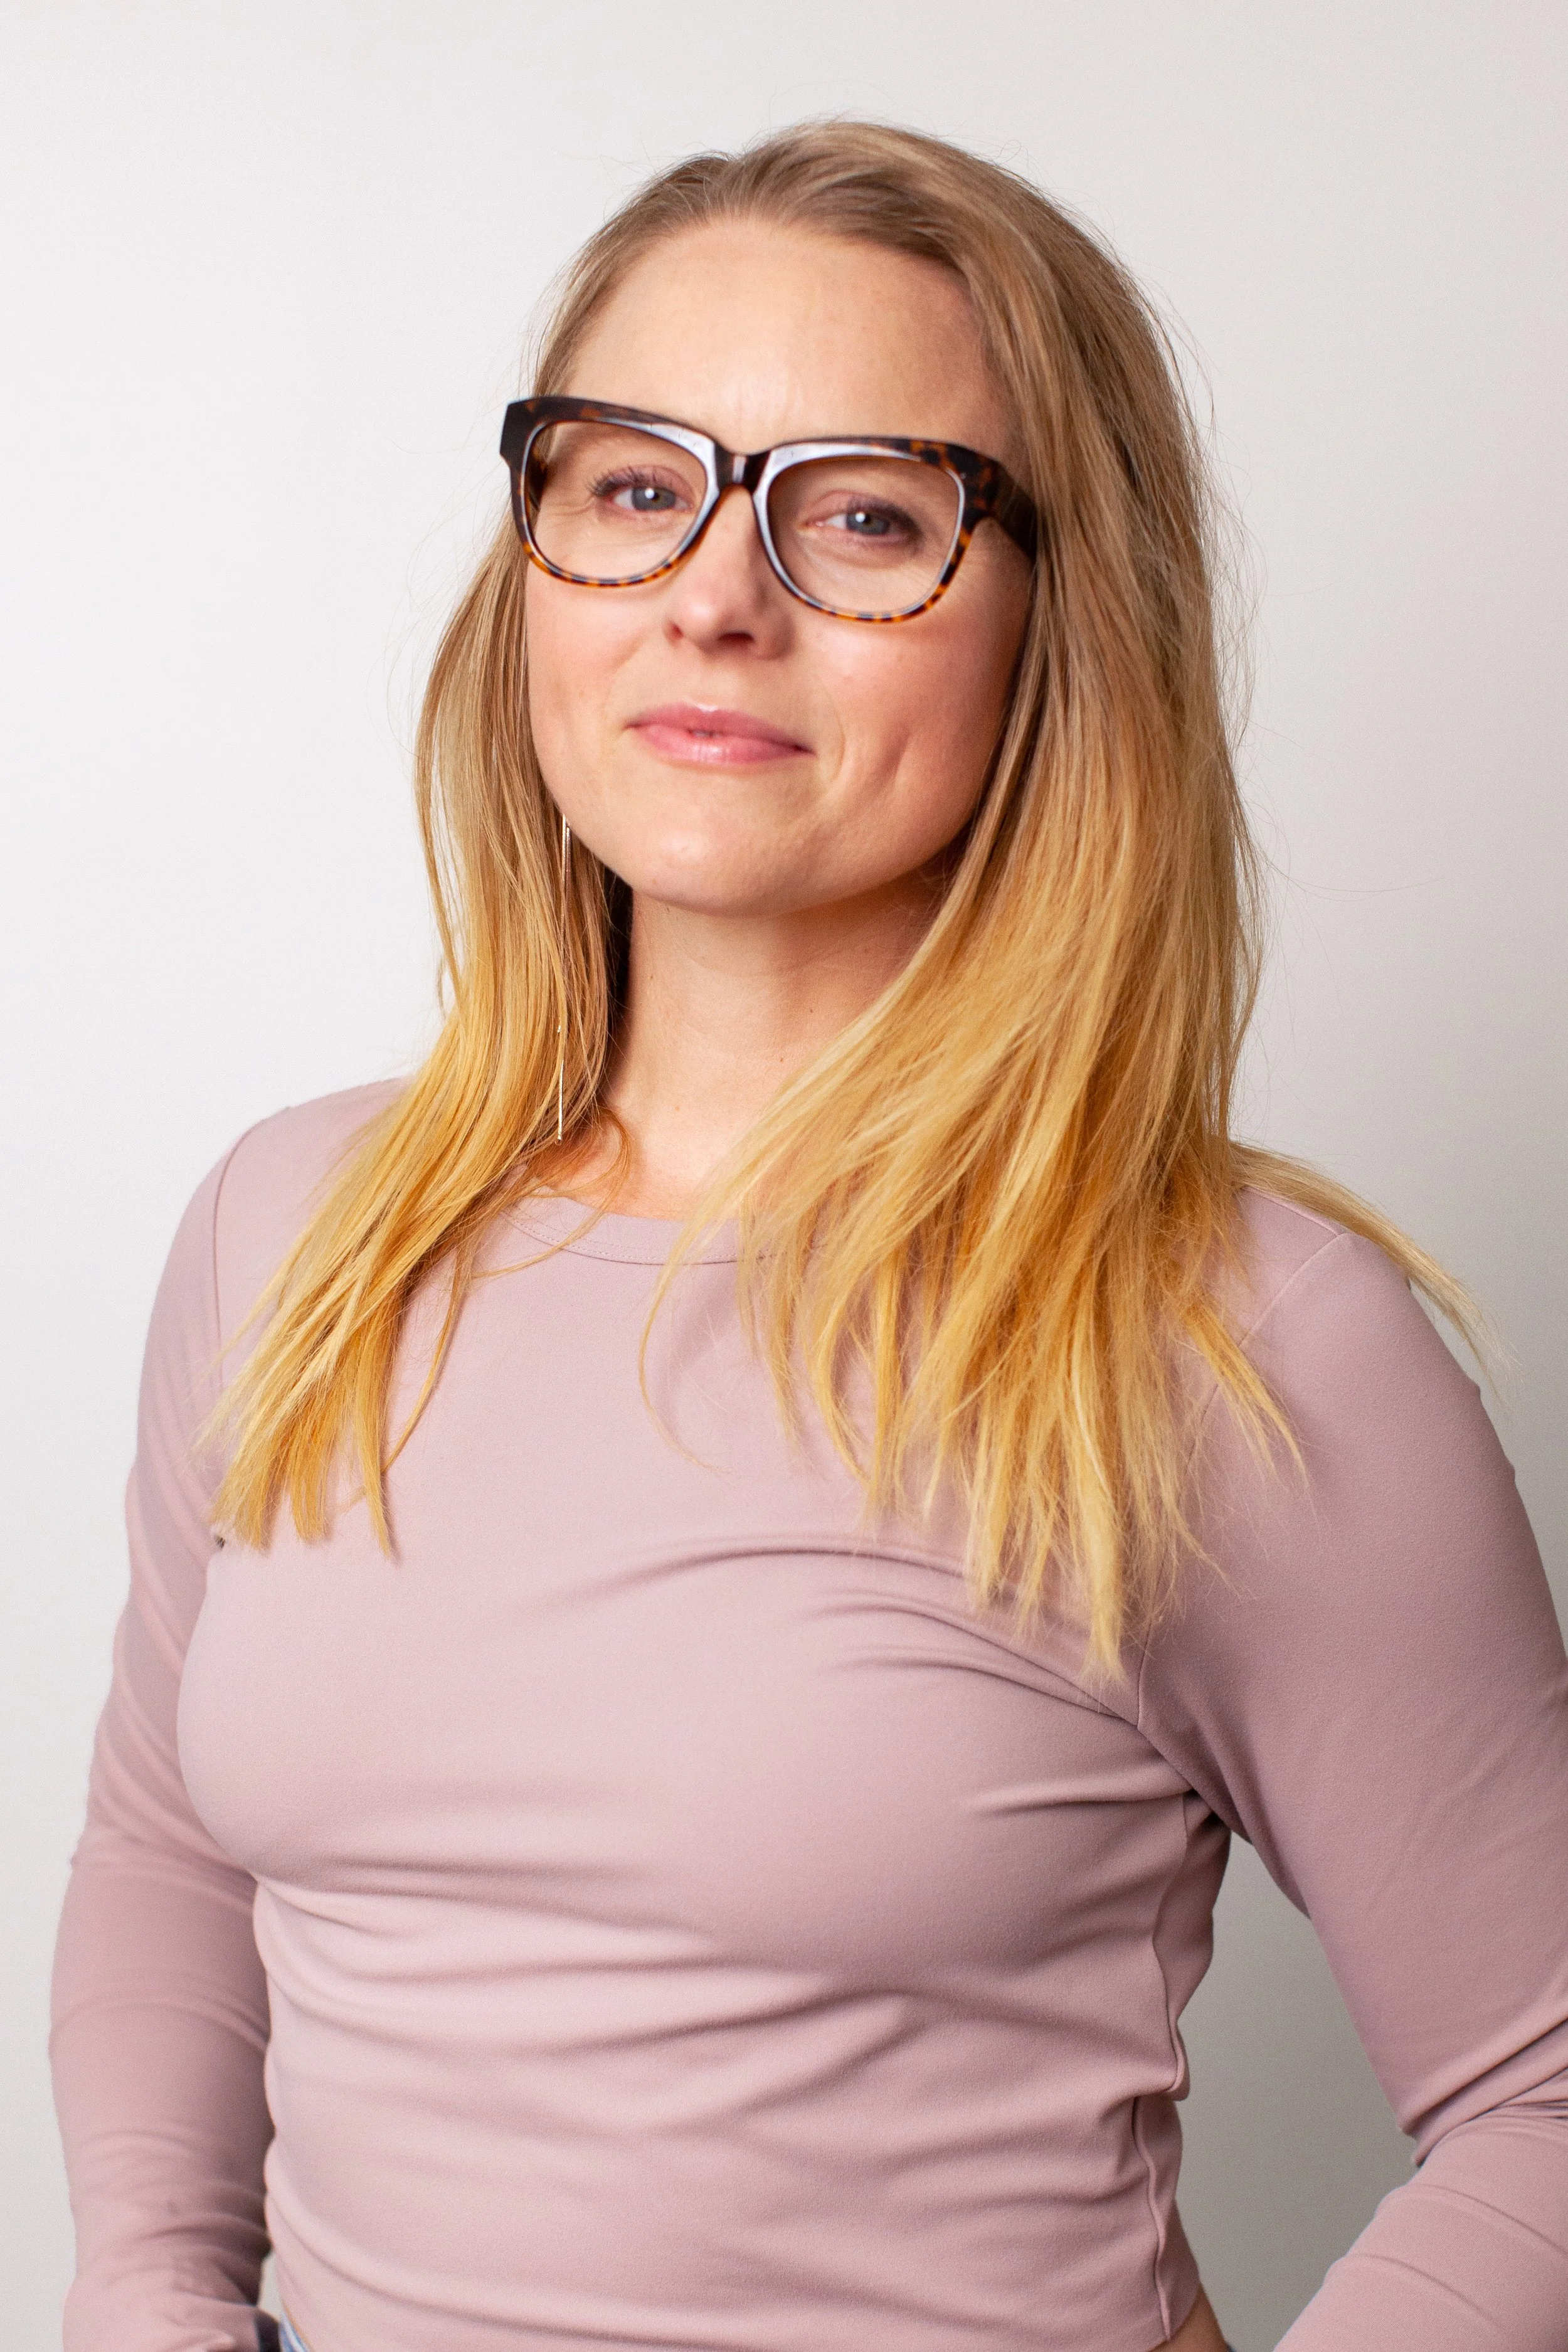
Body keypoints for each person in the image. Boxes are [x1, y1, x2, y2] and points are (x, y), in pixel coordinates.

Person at [50, 120, 1568, 2352]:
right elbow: (174, 1862)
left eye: (862, 512)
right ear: (536, 557)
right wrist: (151, 2302)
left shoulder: (1231, 1329)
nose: (715, 593)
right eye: (631, 482)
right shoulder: (296, 1226)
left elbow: (1544, 2078)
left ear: (1060, 614)